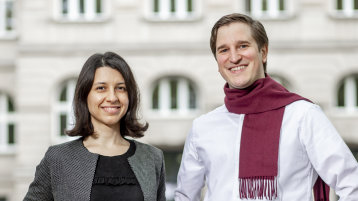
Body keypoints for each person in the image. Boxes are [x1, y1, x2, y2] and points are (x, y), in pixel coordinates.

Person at [175, 13, 358, 201]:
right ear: (218, 62)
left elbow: (352, 185)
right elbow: (185, 196)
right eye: (223, 50)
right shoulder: (203, 127)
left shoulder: (303, 115)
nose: (234, 57)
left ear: (263, 52)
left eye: (243, 46)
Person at [24, 52, 166, 201]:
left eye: (121, 88)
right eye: (101, 88)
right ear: (85, 95)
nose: (112, 97)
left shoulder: (152, 158)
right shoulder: (58, 158)